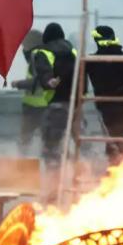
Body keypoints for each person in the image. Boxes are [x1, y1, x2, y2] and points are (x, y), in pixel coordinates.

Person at [85, 25, 123, 164]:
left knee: (116, 139)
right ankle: (121, 170)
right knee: (117, 138)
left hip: (108, 106)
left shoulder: (91, 61)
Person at [34, 23, 77, 187]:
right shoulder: (72, 50)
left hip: (56, 106)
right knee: (81, 148)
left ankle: (53, 189)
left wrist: (49, 82)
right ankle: (79, 185)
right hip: (76, 106)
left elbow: (45, 77)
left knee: (51, 149)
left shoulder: (43, 52)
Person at [11, 29, 48, 154]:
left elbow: (38, 82)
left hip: (36, 109)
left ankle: (22, 167)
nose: (23, 51)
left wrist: (19, 84)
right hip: (40, 107)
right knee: (47, 142)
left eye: (25, 48)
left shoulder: (38, 58)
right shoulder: (44, 57)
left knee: (25, 142)